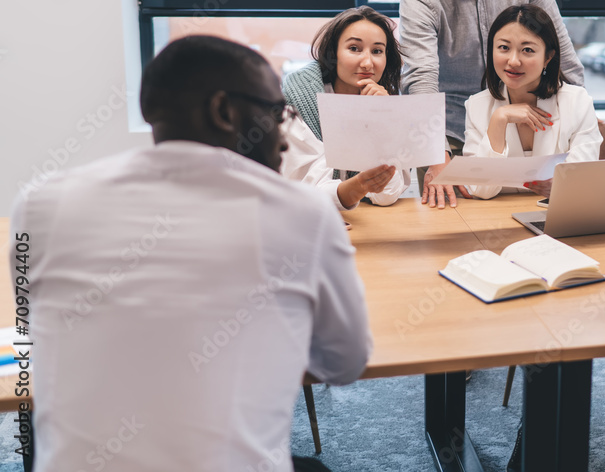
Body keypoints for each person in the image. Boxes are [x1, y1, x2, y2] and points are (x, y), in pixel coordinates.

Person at [10, 35, 371, 472]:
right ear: (224, 111)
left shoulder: (40, 203)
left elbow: (34, 329)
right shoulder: (302, 212)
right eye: (277, 114)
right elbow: (346, 363)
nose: (282, 136)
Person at [399, 0, 586, 208]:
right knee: (454, 236)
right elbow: (420, 80)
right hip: (452, 135)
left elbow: (561, 49)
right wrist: (435, 154)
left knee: (535, 224)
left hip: (529, 124)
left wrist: (583, 113)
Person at [464, 4, 602, 199]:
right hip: (497, 221)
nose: (513, 61)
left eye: (527, 50)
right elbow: (480, 190)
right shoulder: (477, 106)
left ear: (548, 57)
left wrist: (564, 186)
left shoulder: (577, 102)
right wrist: (499, 119)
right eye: (504, 48)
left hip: (557, 218)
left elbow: (584, 182)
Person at [281, 6, 411, 210]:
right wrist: (359, 187)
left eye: (377, 51)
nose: (367, 63)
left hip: (361, 222)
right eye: (354, 49)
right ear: (333, 53)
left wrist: (380, 120)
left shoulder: (382, 100)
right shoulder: (297, 101)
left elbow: (387, 194)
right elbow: (310, 189)